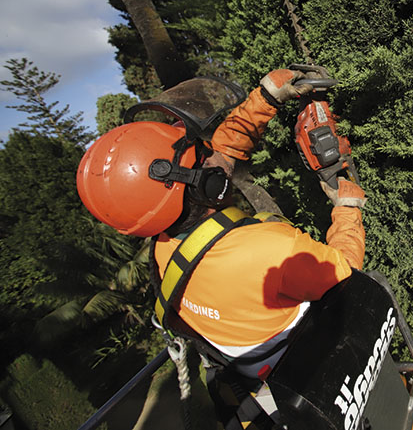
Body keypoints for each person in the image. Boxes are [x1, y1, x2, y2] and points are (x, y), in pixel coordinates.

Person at [76, 69, 367, 428]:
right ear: (204, 184)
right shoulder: (265, 250)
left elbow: (222, 155)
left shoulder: (164, 254)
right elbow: (346, 276)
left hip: (256, 395)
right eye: (201, 157)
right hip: (321, 382)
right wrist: (348, 210)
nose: (212, 156)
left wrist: (265, 99)